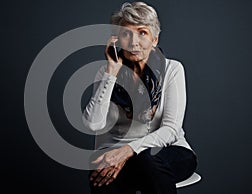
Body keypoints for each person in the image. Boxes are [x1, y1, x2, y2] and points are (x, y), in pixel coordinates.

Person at [82, 2, 197, 194]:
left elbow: (171, 130)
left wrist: (127, 151)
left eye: (142, 33)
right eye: (126, 33)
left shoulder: (172, 69)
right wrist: (111, 73)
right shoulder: (106, 72)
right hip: (117, 153)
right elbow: (92, 124)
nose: (134, 42)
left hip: (168, 151)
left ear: (155, 39)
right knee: (102, 177)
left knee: (146, 161)